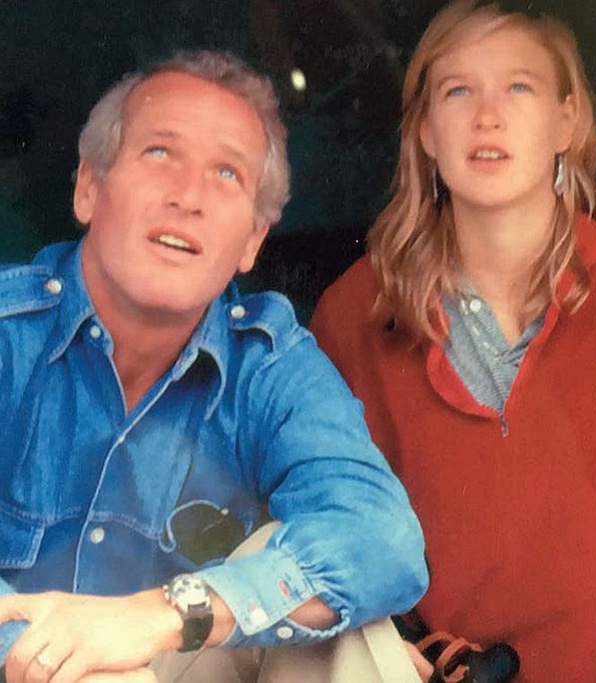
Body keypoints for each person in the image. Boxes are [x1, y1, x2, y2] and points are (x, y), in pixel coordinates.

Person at [0, 50, 429, 683]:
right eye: (160, 153)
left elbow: (383, 540)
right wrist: (64, 654)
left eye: (227, 173)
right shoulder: (12, 333)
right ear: (89, 187)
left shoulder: (266, 362)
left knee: (341, 616)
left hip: (169, 658)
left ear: (254, 239)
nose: (189, 196)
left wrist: (162, 615)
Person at [310, 1, 596, 682]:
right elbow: (320, 530)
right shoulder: (353, 311)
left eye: (518, 86)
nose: (487, 115)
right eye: (457, 90)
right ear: (424, 129)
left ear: (566, 120)